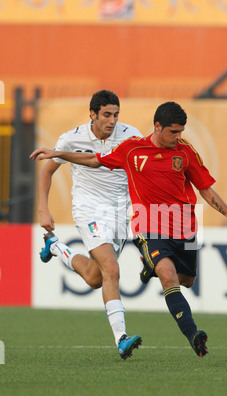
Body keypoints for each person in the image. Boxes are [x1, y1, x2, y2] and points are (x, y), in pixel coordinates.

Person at [30, 101, 227, 359]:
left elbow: (204, 187)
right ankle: (191, 334)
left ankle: (57, 247)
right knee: (161, 275)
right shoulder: (133, 149)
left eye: (181, 132)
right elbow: (93, 160)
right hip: (146, 225)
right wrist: (58, 154)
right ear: (158, 126)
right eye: (173, 132)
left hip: (185, 224)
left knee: (184, 281)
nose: (179, 137)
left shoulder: (185, 151)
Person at [37, 90, 143, 360]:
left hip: (120, 212)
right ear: (93, 114)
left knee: (96, 278)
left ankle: (56, 247)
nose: (112, 120)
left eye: (116, 115)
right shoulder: (72, 138)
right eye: (107, 115)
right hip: (89, 210)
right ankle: (121, 338)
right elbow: (47, 171)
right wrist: (43, 210)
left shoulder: (132, 135)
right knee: (112, 268)